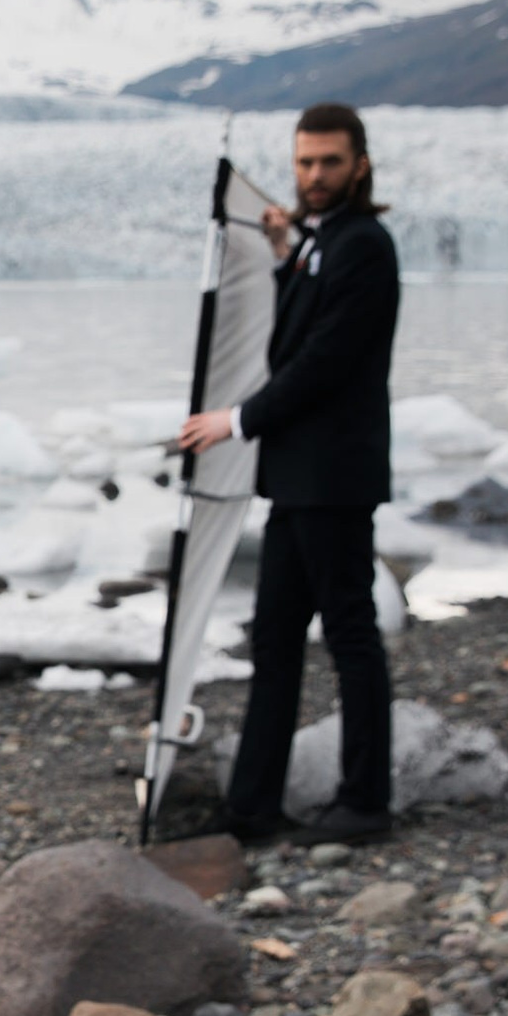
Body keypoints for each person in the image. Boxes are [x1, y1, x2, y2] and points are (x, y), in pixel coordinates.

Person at [178, 102, 401, 844]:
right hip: (299, 479)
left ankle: (365, 801)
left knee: (349, 637)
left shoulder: (365, 244)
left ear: (359, 164)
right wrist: (281, 255)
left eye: (329, 162)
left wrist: (233, 421)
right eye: (305, 161)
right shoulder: (322, 242)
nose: (314, 175)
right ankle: (253, 804)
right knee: (275, 637)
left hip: (334, 479)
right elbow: (296, 327)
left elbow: (322, 361)